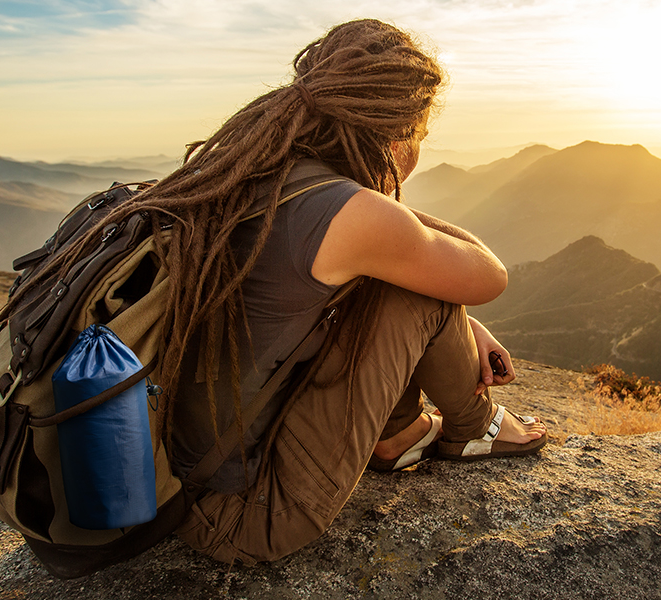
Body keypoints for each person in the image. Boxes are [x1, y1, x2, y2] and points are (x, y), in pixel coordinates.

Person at [104, 19, 548, 565]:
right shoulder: (344, 213)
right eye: (420, 136)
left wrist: (457, 320)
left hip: (173, 478)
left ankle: (397, 433)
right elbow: (487, 275)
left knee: (396, 276)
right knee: (419, 290)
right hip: (242, 514)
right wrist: (386, 208)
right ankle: (475, 428)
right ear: (395, 132)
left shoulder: (244, 172)